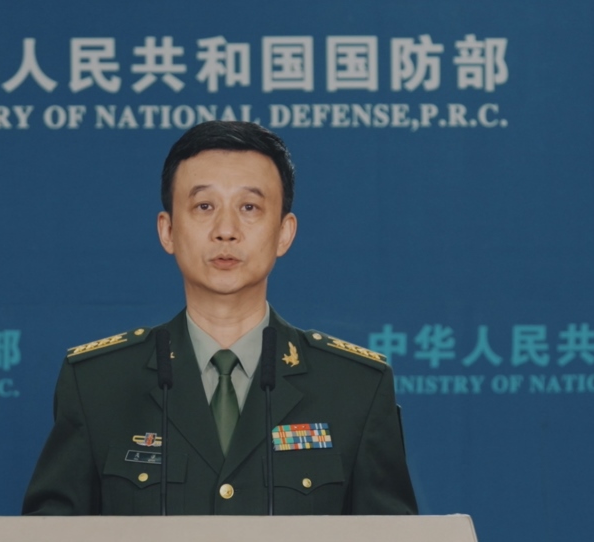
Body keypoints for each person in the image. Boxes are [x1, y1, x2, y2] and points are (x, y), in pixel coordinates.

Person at [21, 121, 417, 515]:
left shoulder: (355, 387)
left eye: (249, 207)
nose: (226, 231)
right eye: (204, 206)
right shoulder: (97, 384)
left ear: (284, 232)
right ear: (167, 230)